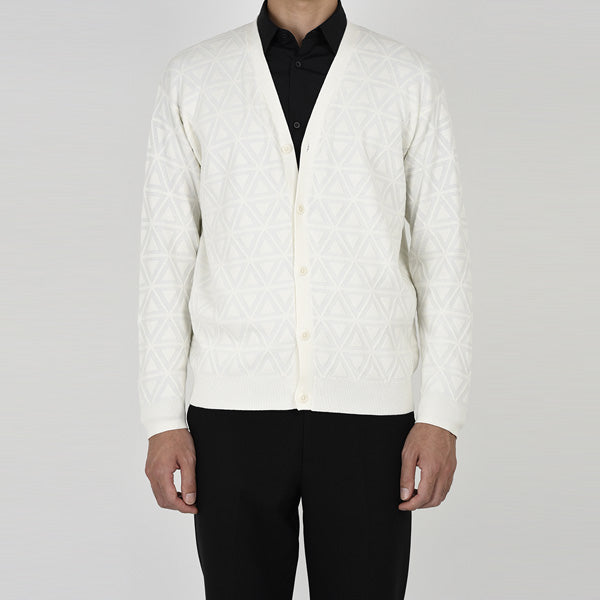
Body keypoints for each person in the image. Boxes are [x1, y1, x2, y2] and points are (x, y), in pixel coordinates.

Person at [137, 0, 473, 598]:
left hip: (370, 418)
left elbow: (442, 255)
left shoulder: (406, 78)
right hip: (230, 415)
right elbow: (166, 258)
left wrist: (441, 415)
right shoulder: (194, 77)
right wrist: (162, 421)